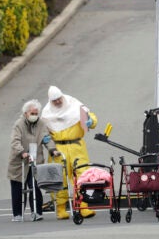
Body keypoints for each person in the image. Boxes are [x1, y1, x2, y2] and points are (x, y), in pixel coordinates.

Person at [41, 86, 97, 220]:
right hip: (58, 149)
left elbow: (91, 116)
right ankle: (60, 208)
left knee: (83, 174)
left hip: (77, 146)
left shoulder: (75, 105)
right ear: (51, 101)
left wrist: (91, 122)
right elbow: (40, 129)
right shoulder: (46, 114)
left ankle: (83, 205)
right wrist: (43, 138)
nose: (58, 102)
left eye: (59, 99)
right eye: (55, 101)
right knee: (59, 178)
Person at [7, 99, 59, 222]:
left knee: (35, 185)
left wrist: (52, 149)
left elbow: (46, 138)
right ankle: (17, 214)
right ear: (26, 113)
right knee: (18, 187)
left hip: (35, 159)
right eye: (32, 113)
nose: (34, 116)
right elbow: (15, 141)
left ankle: (37, 212)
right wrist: (22, 152)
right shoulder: (19, 124)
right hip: (19, 160)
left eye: (36, 113)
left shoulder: (41, 124)